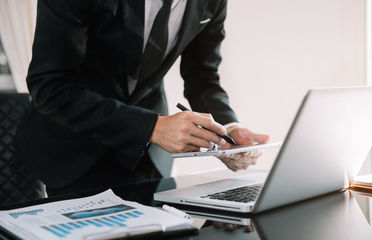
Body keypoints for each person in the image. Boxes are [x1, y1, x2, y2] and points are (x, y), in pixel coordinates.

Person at [14, 0, 270, 197]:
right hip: (72, 150)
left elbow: (202, 77)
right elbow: (51, 86)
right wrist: (152, 127)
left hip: (150, 161)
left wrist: (228, 131)